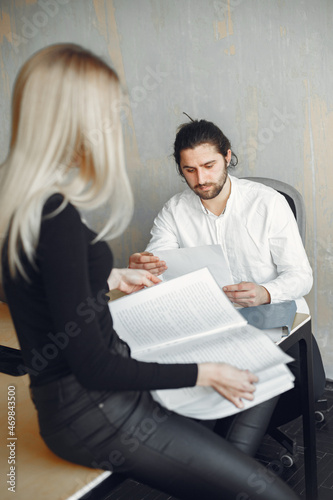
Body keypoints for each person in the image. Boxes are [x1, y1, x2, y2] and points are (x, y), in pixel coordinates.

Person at [0, 44, 299, 500]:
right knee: (271, 495)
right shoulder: (54, 213)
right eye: (106, 113)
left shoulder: (19, 199)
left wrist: (111, 277)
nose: (112, 128)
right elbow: (95, 365)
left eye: (209, 165)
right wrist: (204, 372)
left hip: (86, 399)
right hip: (98, 408)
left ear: (228, 157)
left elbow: (39, 283)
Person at [129, 119, 326, 427]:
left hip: (270, 314)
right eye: (189, 170)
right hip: (211, 320)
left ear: (227, 157)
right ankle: (204, 450)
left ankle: (230, 458)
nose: (201, 179)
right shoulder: (175, 211)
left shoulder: (267, 203)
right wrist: (146, 267)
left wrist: (265, 292)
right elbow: (159, 262)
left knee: (245, 371)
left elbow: (301, 276)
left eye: (209, 165)